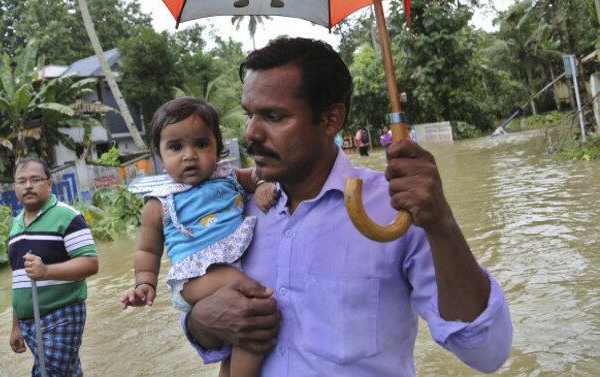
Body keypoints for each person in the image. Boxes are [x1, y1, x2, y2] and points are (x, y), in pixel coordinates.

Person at [183, 38, 513, 376]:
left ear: (330, 120)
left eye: (274, 116)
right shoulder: (235, 210)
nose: (252, 131)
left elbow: (488, 352)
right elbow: (204, 321)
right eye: (249, 114)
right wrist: (201, 322)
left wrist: (442, 224)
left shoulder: (398, 210)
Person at [120, 97, 278, 377]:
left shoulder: (228, 175)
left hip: (227, 267)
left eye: (201, 144)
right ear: (160, 156)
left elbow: (256, 176)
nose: (189, 154)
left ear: (217, 149)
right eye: (176, 147)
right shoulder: (159, 203)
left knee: (236, 338)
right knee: (254, 311)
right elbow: (148, 251)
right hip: (195, 278)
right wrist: (144, 282)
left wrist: (264, 183)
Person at [9, 157, 99, 376]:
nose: (28, 186)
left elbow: (90, 263)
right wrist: (16, 325)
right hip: (29, 321)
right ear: (15, 188)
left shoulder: (68, 216)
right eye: (21, 181)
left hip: (62, 313)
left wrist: (46, 271)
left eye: (35, 179)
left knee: (50, 373)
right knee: (66, 373)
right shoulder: (16, 223)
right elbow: (19, 279)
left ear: (49, 184)